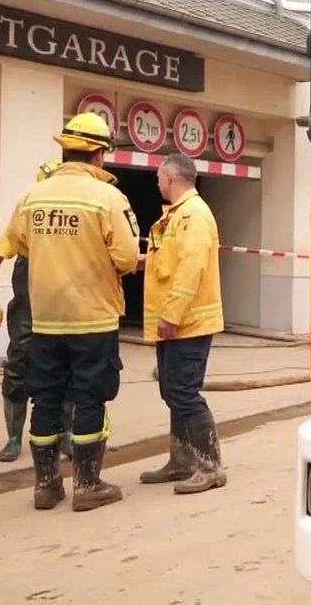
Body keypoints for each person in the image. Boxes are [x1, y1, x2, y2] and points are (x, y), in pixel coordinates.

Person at [0, 112, 140, 512]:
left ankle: (46, 486)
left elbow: (19, 246)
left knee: (46, 399)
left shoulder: (32, 196)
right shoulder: (108, 198)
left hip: (46, 320)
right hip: (93, 318)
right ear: (98, 153)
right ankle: (87, 485)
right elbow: (127, 258)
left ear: (66, 150)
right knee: (90, 397)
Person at [138, 154, 227, 494]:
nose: (157, 183)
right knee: (172, 392)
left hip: (188, 323)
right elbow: (170, 261)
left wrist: (172, 314)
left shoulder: (194, 215)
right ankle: (181, 461)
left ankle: (210, 466)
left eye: (159, 178)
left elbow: (192, 267)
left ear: (171, 178)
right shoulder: (176, 216)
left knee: (185, 393)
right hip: (177, 323)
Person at [0, 160, 75, 463]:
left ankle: (67, 433)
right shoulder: (26, 217)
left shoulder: (68, 223)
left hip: (62, 310)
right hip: (27, 312)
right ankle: (13, 438)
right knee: (17, 369)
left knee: (67, 368)